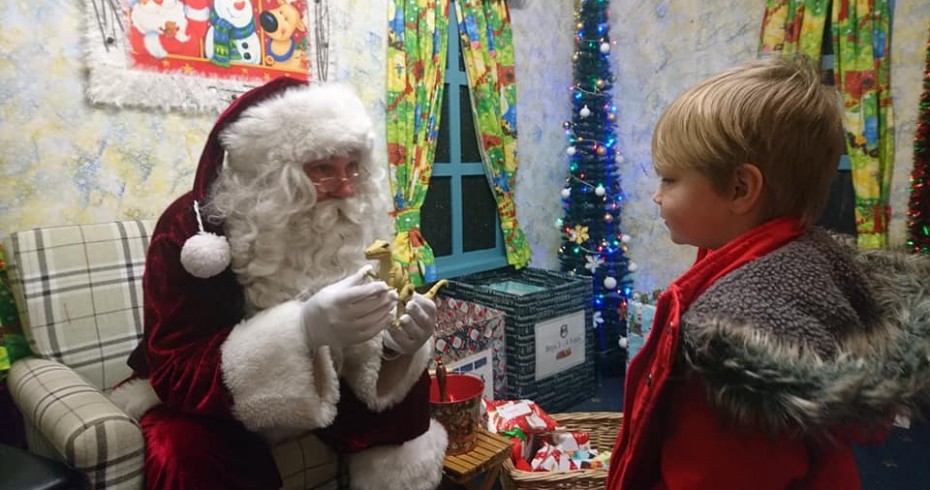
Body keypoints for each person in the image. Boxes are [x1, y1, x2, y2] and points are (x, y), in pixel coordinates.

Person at [607, 55, 930, 489]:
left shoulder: (735, 345)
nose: (656, 196)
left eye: (669, 179)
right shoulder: (809, 264)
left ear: (740, 188)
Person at [110, 78, 448, 490]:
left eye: (352, 168)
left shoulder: (347, 215)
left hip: (325, 379)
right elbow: (175, 369)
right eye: (323, 169)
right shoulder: (193, 230)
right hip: (221, 396)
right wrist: (302, 330)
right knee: (185, 450)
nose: (345, 188)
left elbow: (361, 334)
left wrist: (394, 345)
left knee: (407, 402)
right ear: (273, 172)